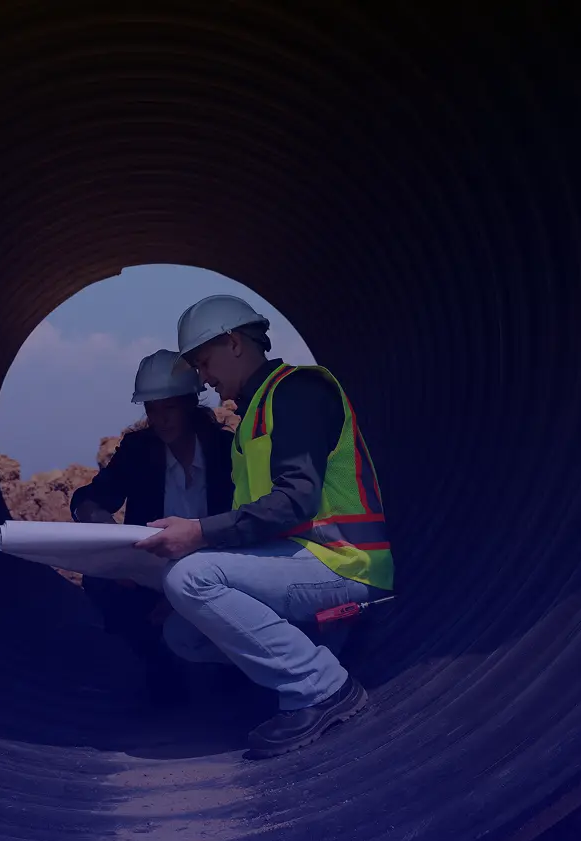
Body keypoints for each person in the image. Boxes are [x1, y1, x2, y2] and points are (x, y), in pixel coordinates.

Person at [134, 295, 396, 757]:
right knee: (182, 633)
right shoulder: (253, 416)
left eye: (203, 361)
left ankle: (322, 687)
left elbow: (295, 501)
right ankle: (311, 653)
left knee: (190, 578)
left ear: (234, 343)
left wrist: (197, 533)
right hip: (298, 567)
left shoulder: (299, 393)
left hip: (344, 565)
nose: (203, 378)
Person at [69, 348, 235, 708]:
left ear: (190, 403)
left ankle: (232, 673)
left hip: (218, 570)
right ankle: (158, 668)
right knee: (101, 583)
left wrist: (179, 598)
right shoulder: (139, 450)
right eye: (152, 409)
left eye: (169, 407)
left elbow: (244, 523)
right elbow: (91, 497)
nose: (161, 420)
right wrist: (100, 526)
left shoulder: (226, 451)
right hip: (149, 573)